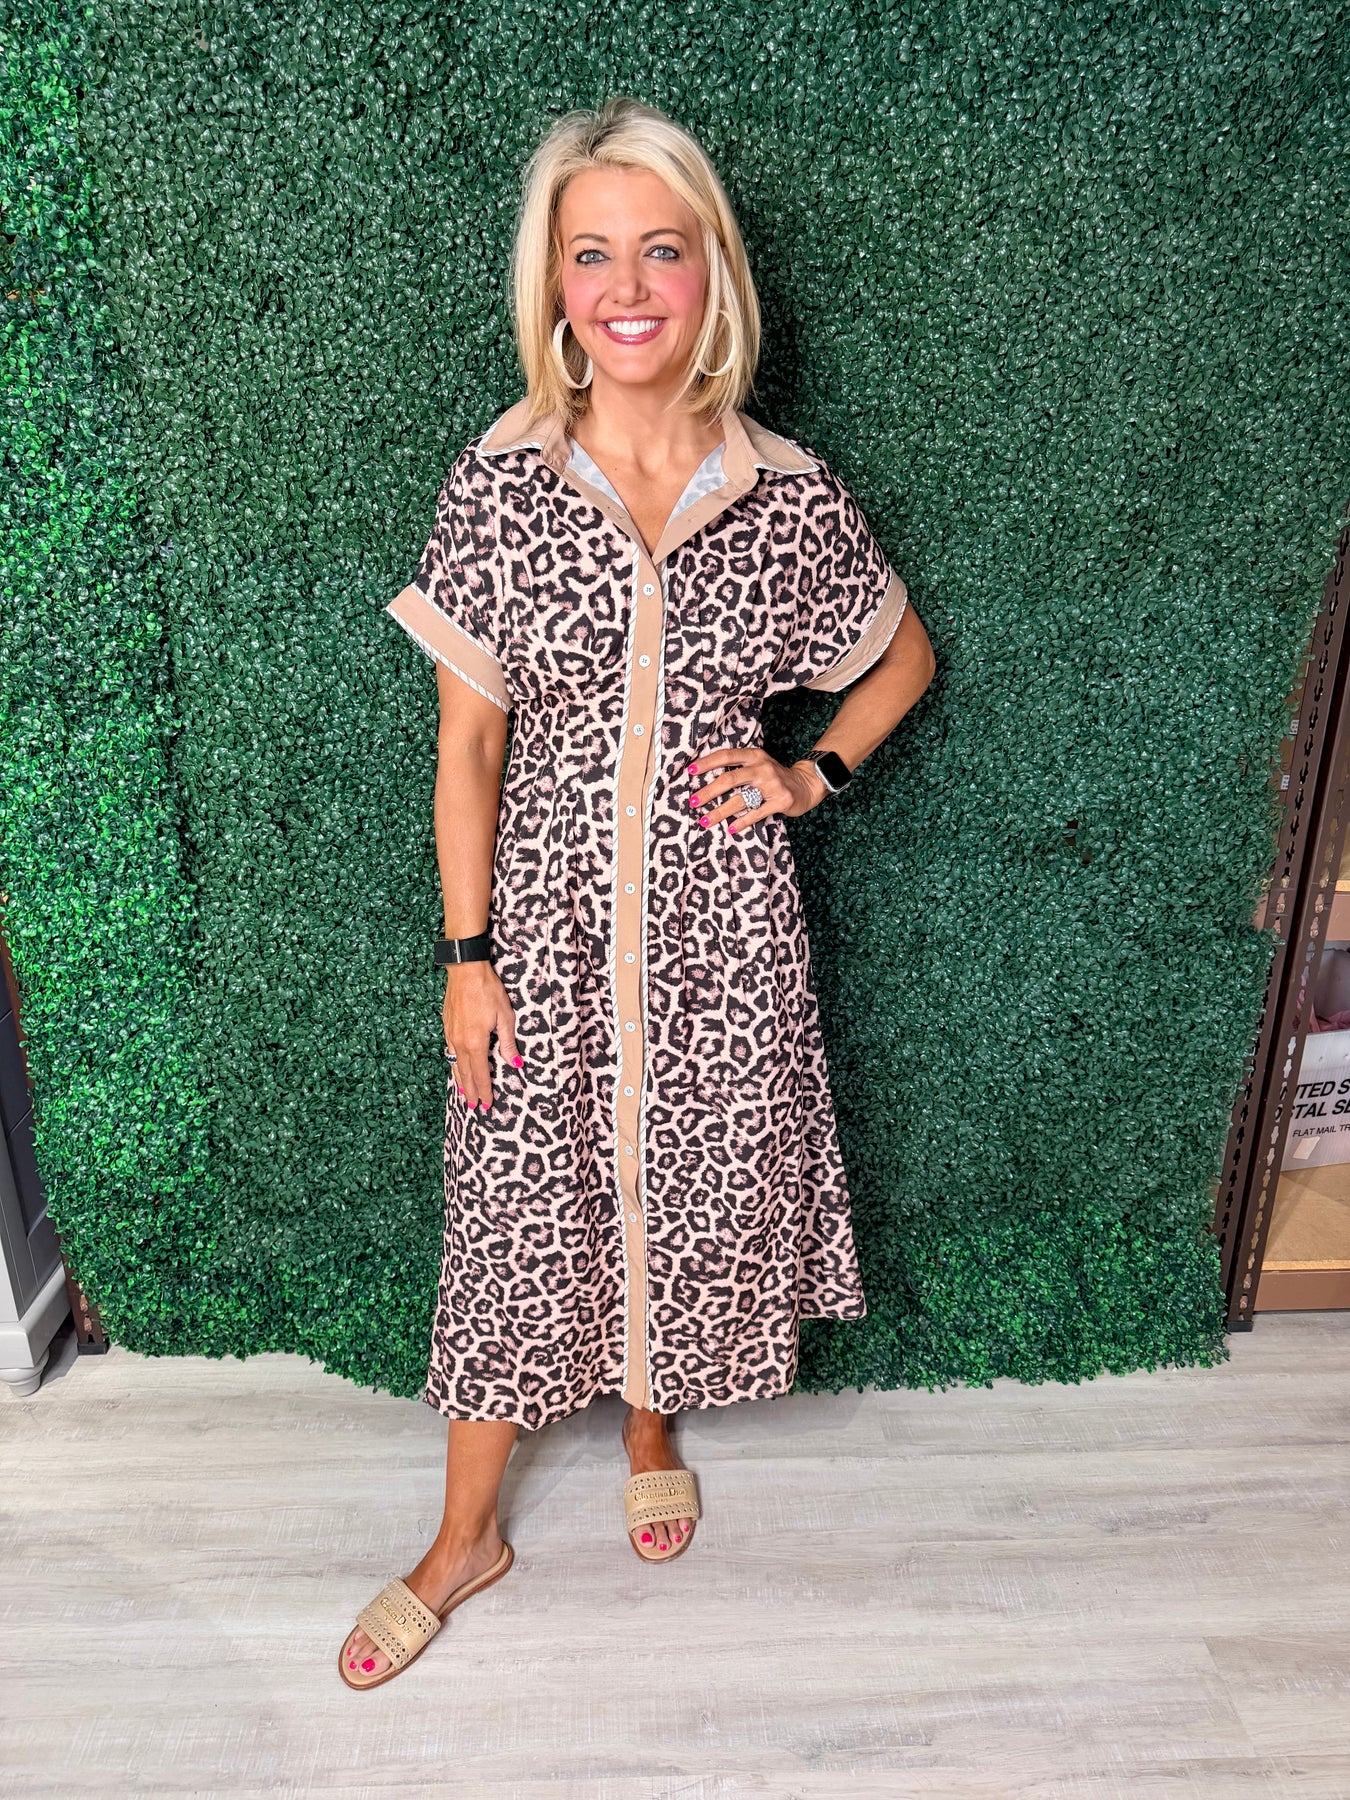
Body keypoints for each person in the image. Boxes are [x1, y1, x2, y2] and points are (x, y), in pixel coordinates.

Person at [340, 95, 935, 1690]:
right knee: (513, 1213)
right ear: (553, 284)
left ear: (707, 273)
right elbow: (468, 745)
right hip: (537, 935)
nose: (624, 286)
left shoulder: (787, 495)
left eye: (659, 250)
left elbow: (901, 658)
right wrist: (467, 956)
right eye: (589, 252)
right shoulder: (499, 484)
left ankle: (649, 1427)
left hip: (721, 938)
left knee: (683, 1184)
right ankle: (464, 1535)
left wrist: (810, 774)